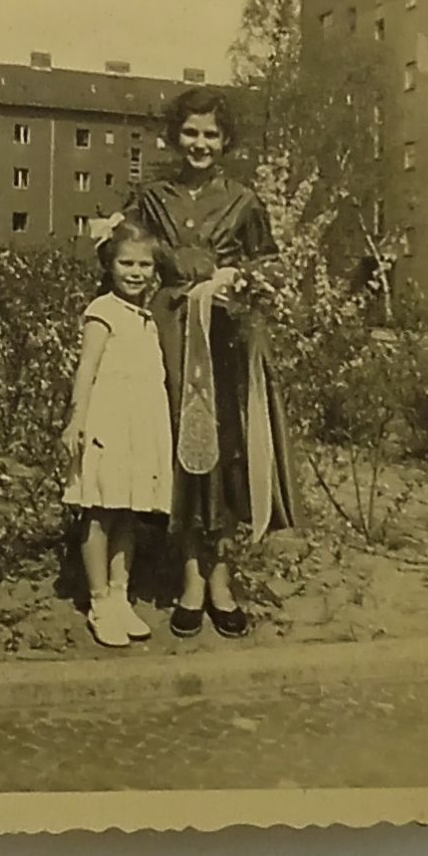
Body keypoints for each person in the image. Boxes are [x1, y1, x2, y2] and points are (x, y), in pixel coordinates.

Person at [129, 86, 302, 640]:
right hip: (170, 335)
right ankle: (188, 579)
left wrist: (241, 280)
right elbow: (122, 257)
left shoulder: (244, 202)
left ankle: (222, 578)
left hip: (226, 338)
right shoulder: (152, 198)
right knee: (182, 447)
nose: (199, 143)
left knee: (226, 448)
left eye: (210, 134)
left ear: (225, 140)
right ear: (174, 137)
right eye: (190, 133)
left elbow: (270, 267)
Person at [62, 217, 173, 648]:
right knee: (98, 508)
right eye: (126, 263)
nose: (135, 272)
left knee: (128, 509)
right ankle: (99, 600)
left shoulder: (147, 316)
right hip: (107, 422)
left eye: (144, 265)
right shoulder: (102, 311)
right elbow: (86, 369)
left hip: (139, 424)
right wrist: (76, 421)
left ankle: (121, 593)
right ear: (109, 265)